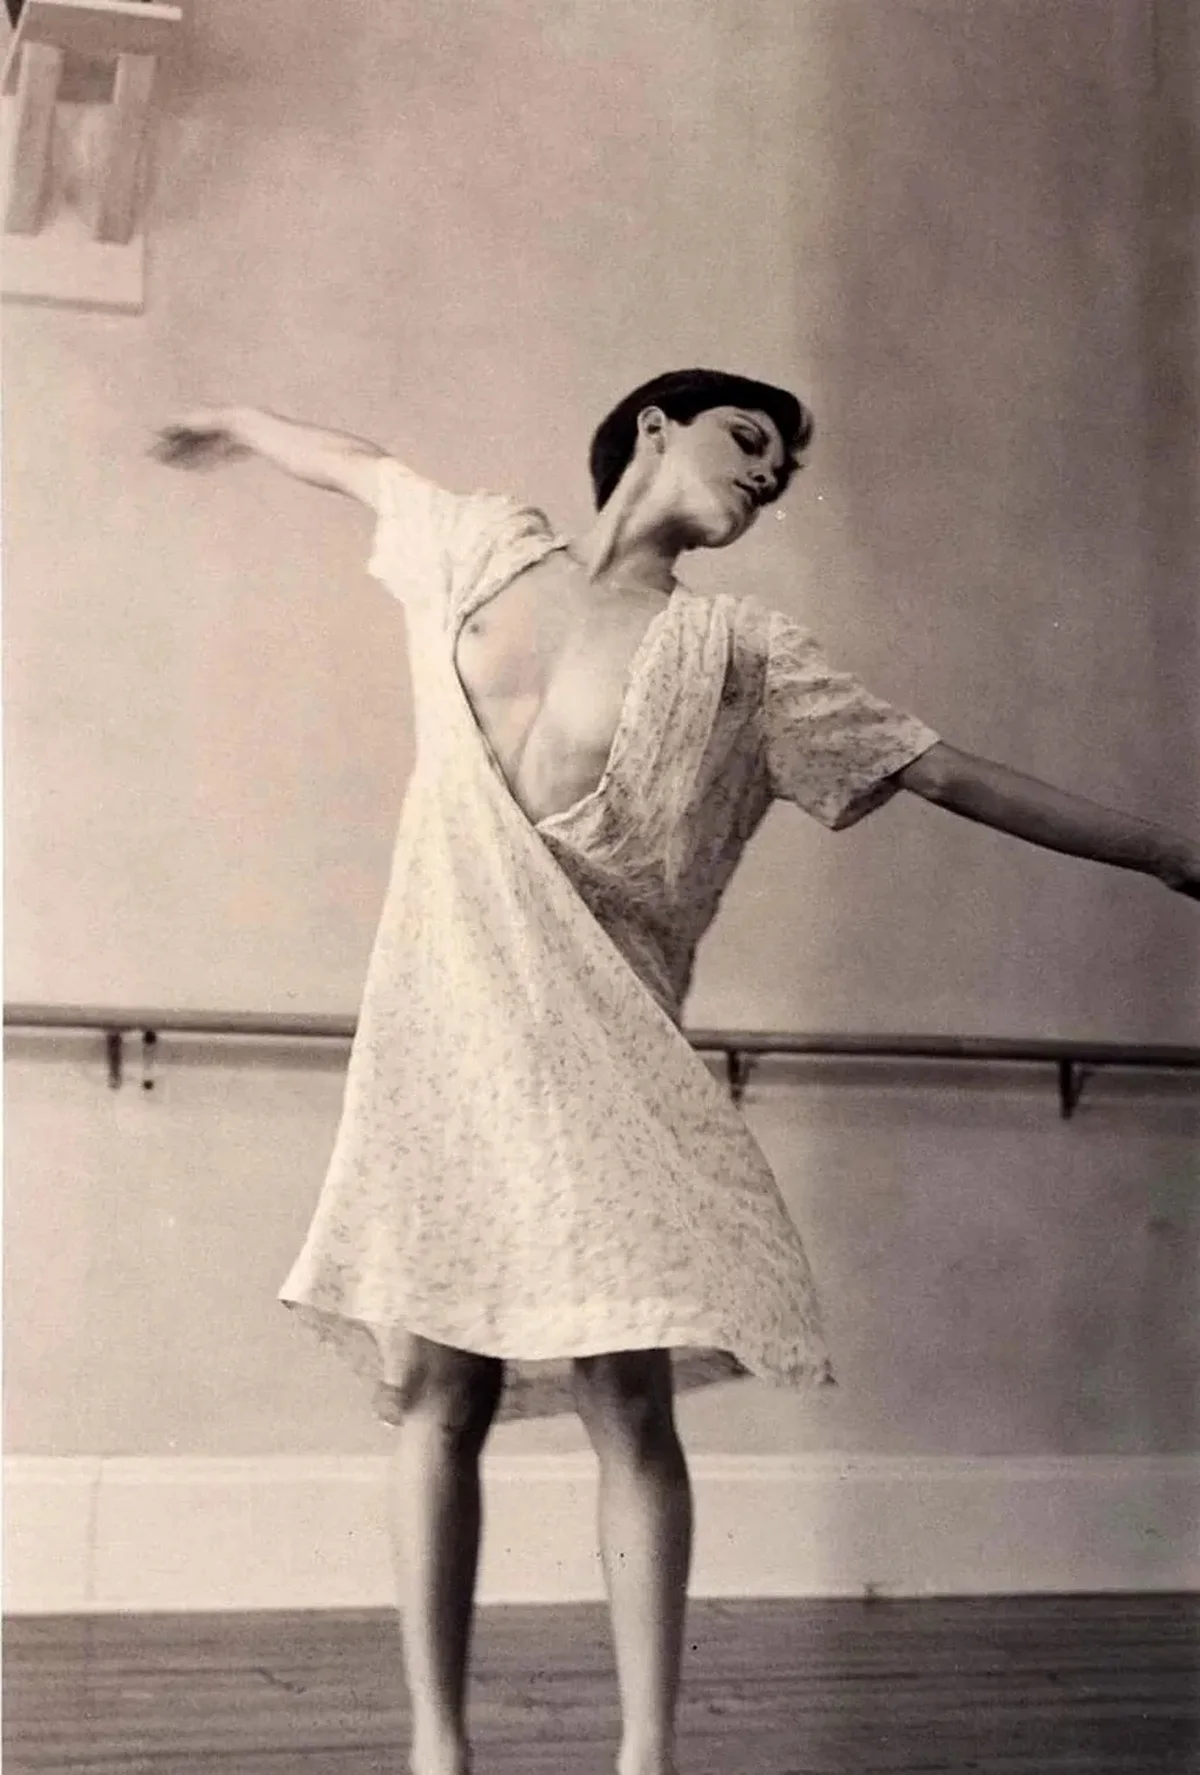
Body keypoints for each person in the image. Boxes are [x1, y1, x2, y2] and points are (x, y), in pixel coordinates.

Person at [154, 369, 1198, 1775]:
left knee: (624, 1396)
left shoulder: (740, 655)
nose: (768, 475)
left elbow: (944, 771)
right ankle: (436, 1749)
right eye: (748, 439)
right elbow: (357, 462)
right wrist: (236, 425)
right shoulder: (479, 547)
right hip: (442, 1043)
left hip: (603, 1052)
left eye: (784, 470)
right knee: (440, 1395)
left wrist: (1169, 851)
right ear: (655, 429)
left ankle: (647, 1755)